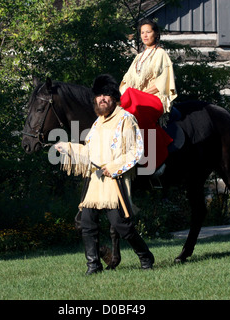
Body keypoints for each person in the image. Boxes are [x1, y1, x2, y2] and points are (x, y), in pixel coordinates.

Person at [55, 74, 154, 275]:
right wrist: (68, 148)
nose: (102, 98)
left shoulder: (126, 119)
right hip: (95, 182)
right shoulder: (97, 124)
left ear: (114, 98)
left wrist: (114, 166)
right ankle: (93, 265)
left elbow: (136, 150)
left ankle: (145, 256)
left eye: (107, 95)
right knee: (87, 223)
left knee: (122, 225)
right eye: (99, 95)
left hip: (114, 182)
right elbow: (89, 153)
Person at [119, 18, 177, 170]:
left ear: (155, 34)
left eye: (148, 32)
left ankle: (154, 160)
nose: (145, 35)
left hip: (155, 99)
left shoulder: (161, 54)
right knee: (123, 110)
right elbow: (126, 82)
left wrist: (138, 93)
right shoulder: (138, 57)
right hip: (137, 98)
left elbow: (163, 82)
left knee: (132, 97)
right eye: (142, 33)